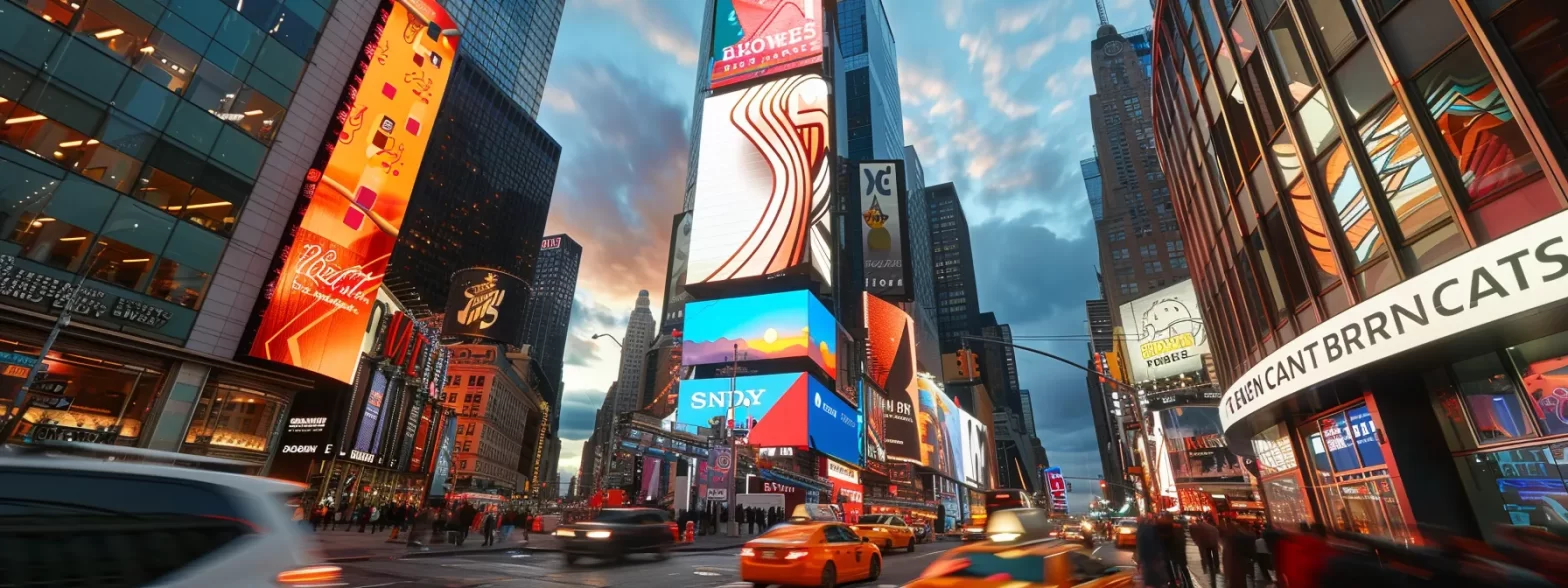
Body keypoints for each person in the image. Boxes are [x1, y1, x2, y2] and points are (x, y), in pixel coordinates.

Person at [1135, 515, 1171, 588]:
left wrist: (1140, 559)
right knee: (1159, 578)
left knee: (1151, 579)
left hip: (1149, 558)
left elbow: (1141, 545)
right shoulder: (1153, 529)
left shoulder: (1142, 530)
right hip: (1156, 556)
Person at [1221, 518, 1257, 588]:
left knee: (1236, 582)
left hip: (1234, 564)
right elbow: (1252, 553)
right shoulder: (1250, 536)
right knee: (1247, 581)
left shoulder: (1232, 537)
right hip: (1245, 563)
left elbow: (1227, 552)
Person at [1191, 516, 1221, 587]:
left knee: (1207, 556)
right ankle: (1216, 568)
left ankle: (1208, 567)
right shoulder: (1210, 526)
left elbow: (1196, 536)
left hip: (1206, 543)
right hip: (1213, 542)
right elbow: (1216, 532)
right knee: (1215, 555)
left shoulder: (1197, 527)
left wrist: (1198, 542)